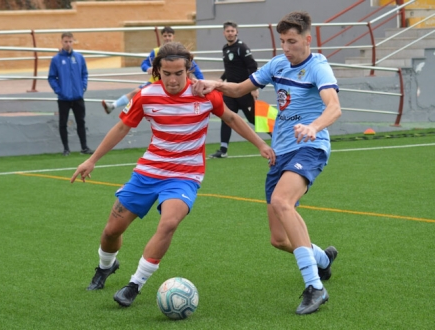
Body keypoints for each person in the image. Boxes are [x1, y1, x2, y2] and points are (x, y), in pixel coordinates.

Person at [71, 42, 275, 308]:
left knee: (168, 223)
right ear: (158, 71)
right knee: (112, 231)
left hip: (185, 176)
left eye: (179, 72)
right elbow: (122, 128)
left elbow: (232, 119)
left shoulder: (205, 94)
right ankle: (105, 266)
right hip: (148, 172)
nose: (173, 79)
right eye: (167, 73)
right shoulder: (146, 95)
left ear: (188, 70)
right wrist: (92, 159)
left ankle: (134, 285)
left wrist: (260, 143)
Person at [192, 11, 341, 315]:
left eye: (293, 41)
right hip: (281, 152)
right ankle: (322, 260)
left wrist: (313, 127)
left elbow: (334, 107)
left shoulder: (319, 67)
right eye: (283, 41)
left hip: (309, 147)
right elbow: (237, 89)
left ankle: (315, 287)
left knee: (282, 201)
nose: (287, 47)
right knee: (278, 239)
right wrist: (212, 84)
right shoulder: (277, 64)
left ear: (307, 39)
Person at [101, 26, 204, 114]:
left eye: (169, 35)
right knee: (136, 93)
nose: (167, 38)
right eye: (165, 36)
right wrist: (148, 68)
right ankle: (114, 106)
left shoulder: (179, 51)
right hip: (155, 82)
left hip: (174, 84)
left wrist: (202, 81)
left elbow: (194, 67)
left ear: (173, 37)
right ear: (162, 37)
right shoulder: (156, 51)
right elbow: (144, 64)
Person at [210, 21, 259, 159]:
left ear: (236, 32)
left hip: (243, 90)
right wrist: (221, 79)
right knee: (225, 117)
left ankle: (278, 138)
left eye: (232, 31)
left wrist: (254, 87)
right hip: (229, 91)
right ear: (224, 33)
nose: (230, 33)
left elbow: (252, 66)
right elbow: (230, 69)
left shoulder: (242, 48)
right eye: (228, 31)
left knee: (254, 118)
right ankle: (223, 149)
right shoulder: (225, 49)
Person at [48, 32, 93, 156]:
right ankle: (66, 149)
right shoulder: (56, 59)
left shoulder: (79, 57)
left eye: (70, 41)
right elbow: (52, 77)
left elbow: (84, 74)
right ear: (61, 42)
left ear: (73, 42)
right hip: (64, 98)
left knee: (81, 122)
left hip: (78, 96)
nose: (68, 44)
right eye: (66, 41)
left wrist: (83, 87)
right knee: (63, 123)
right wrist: (59, 91)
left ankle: (84, 147)